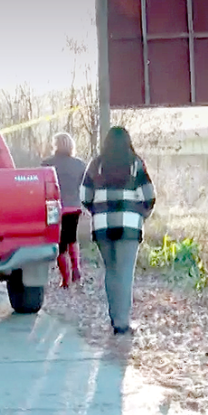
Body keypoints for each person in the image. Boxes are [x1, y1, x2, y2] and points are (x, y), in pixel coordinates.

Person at [81, 126, 156, 335]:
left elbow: (84, 195)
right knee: (124, 273)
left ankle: (115, 318)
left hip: (103, 225)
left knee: (111, 272)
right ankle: (122, 323)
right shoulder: (135, 164)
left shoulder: (96, 165)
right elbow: (149, 195)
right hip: (129, 226)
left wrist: (97, 210)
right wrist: (141, 213)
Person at [41, 132, 87, 288]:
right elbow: (85, 186)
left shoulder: (47, 164)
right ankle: (76, 268)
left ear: (56, 146)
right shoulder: (80, 165)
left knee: (60, 243)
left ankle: (65, 279)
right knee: (72, 238)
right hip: (74, 206)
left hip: (56, 208)